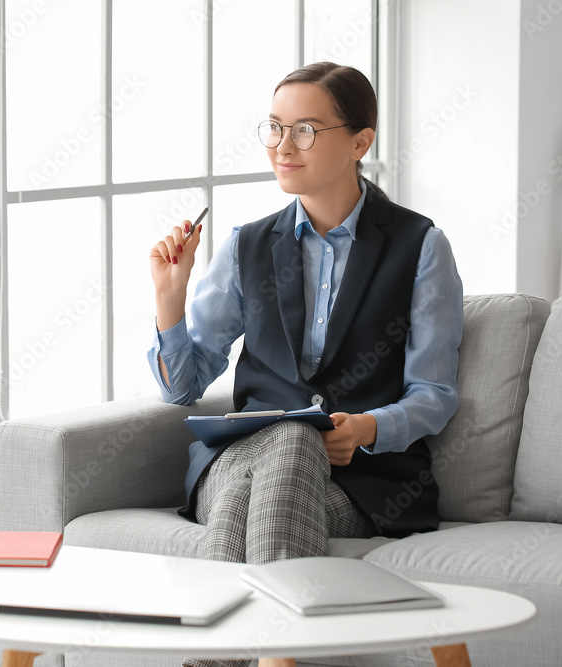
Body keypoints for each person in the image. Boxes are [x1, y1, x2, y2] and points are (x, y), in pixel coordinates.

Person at [147, 62, 464, 667]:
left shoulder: (419, 245)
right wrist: (170, 298)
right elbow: (182, 389)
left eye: (306, 130)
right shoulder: (246, 245)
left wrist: (367, 429)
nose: (282, 147)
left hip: (359, 481)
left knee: (278, 456)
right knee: (283, 442)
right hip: (240, 459)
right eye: (274, 128)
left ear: (360, 141)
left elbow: (435, 392)